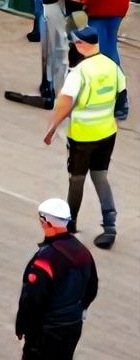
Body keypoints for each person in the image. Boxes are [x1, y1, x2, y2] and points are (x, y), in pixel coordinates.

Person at [44, 27, 127, 249]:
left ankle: (69, 224)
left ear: (81, 46)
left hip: (82, 136)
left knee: (77, 179)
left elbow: (65, 103)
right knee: (100, 176)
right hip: (107, 133)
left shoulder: (79, 73)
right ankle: (110, 225)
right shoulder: (112, 66)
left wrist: (52, 128)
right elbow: (121, 100)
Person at [16, 198, 100, 359]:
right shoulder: (83, 252)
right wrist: (77, 311)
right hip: (72, 326)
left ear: (44, 221)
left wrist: (23, 328)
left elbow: (32, 301)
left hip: (46, 330)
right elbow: (92, 288)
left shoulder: (45, 260)